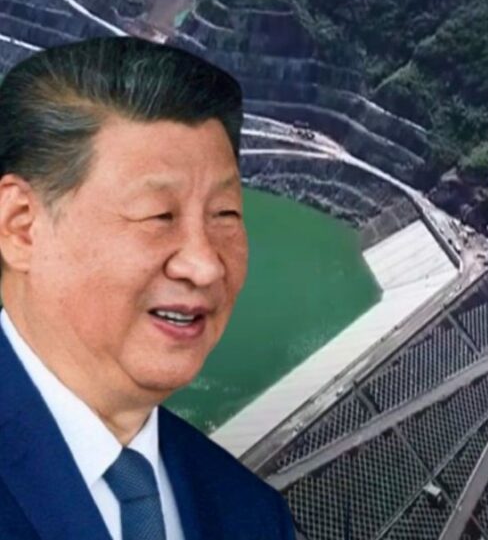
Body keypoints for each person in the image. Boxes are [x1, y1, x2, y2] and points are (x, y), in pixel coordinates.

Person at [0, 37, 295, 539]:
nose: (204, 266)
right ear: (21, 226)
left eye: (224, 215)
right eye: (159, 215)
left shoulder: (250, 514)